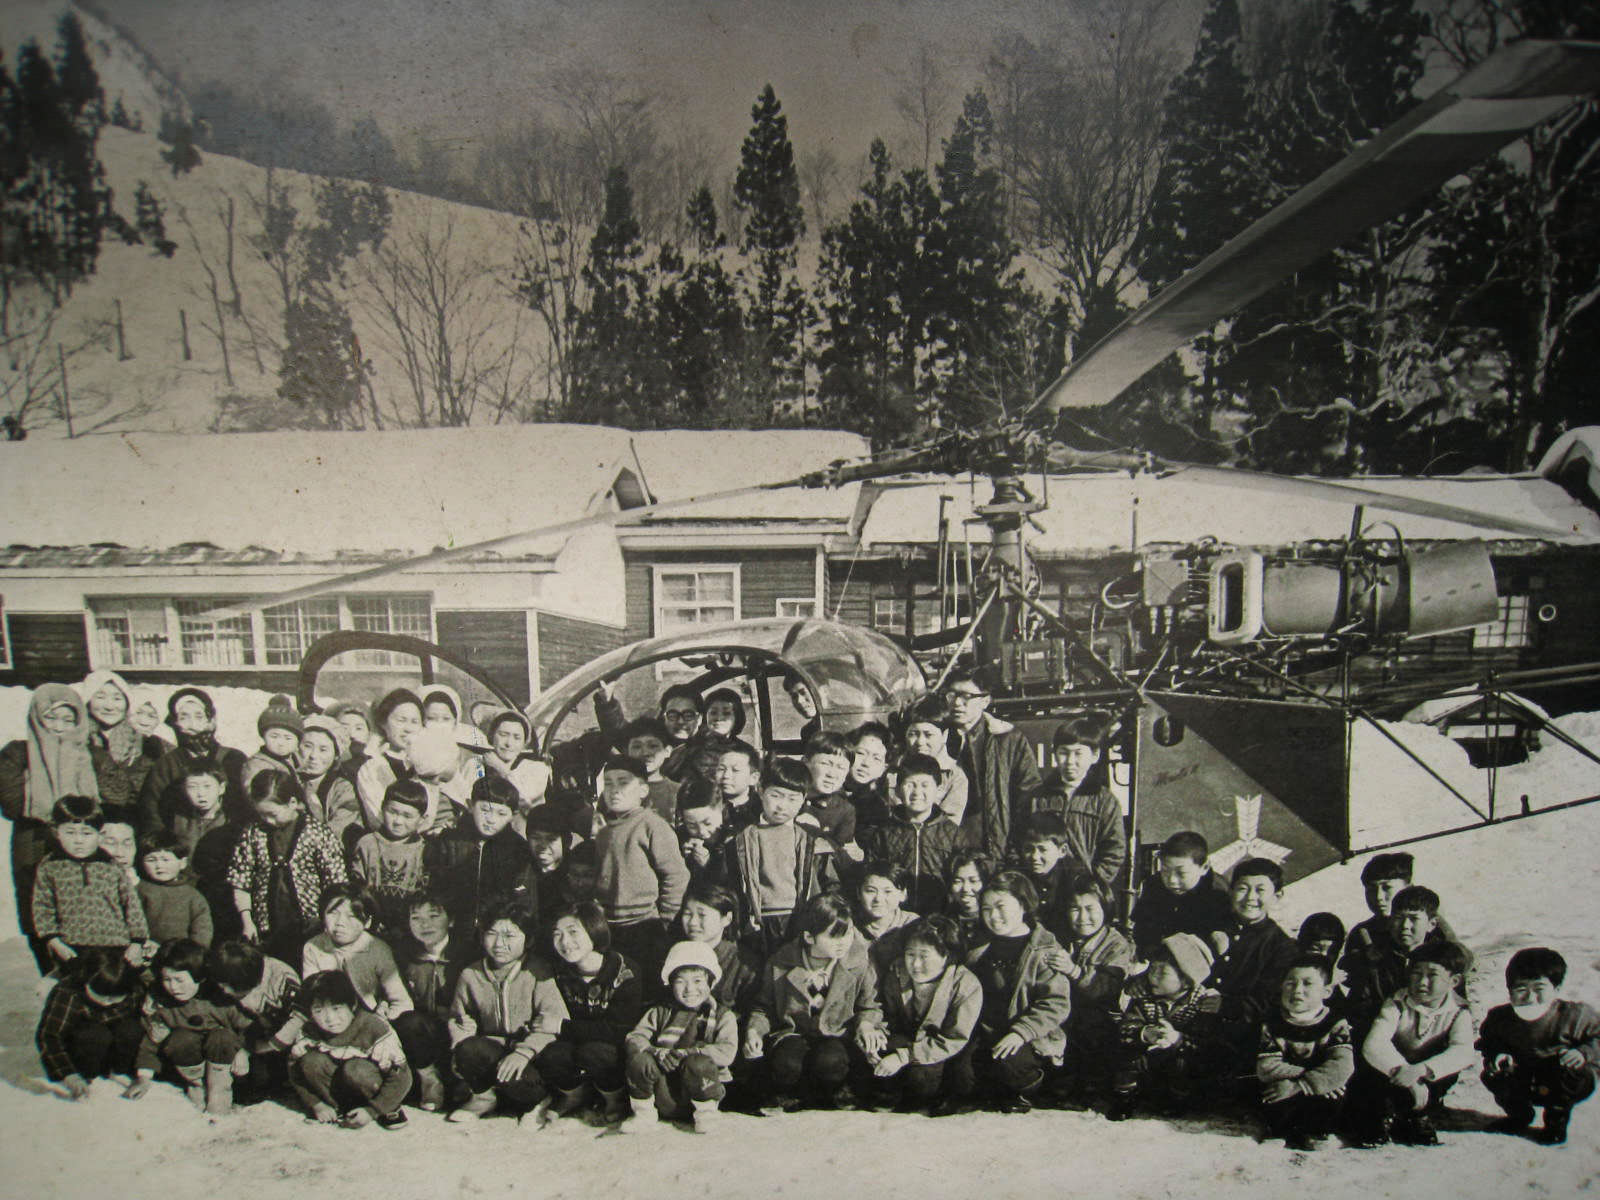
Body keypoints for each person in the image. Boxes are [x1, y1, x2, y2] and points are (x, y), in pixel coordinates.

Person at [743, 891, 885, 1111]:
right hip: (795, 1032)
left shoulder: (858, 962)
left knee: (830, 1062)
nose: (843, 943)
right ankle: (791, 1096)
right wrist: (754, 1031)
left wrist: (866, 1025)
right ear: (809, 937)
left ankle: (836, 1093)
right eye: (833, 936)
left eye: (847, 934)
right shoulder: (781, 963)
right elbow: (763, 1007)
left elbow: (869, 1006)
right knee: (786, 1064)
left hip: (837, 1034)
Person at [1, 685, 104, 970]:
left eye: (68, 720)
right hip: (34, 842)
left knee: (85, 906)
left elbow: (110, 797)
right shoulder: (17, 753)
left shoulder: (91, 754)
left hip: (84, 841)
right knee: (39, 908)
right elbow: (10, 802)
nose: (59, 727)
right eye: (51, 718)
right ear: (37, 718)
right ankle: (51, 974)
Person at [959, 870, 1072, 1114]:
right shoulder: (978, 947)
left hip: (1028, 1036)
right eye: (986, 909)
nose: (993, 916)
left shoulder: (1044, 949)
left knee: (1009, 1066)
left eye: (1001, 907)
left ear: (1022, 905)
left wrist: (1021, 1033)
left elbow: (1055, 1003)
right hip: (985, 1032)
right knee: (961, 1076)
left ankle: (1036, 1082)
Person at [446, 901, 568, 1121]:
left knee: (532, 1075)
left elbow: (553, 1020)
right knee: (469, 1049)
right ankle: (484, 1098)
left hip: (529, 1058)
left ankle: (538, 1102)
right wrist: (462, 1038)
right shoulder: (471, 974)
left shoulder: (538, 971)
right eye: (491, 934)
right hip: (494, 1053)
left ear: (528, 940)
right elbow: (458, 1018)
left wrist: (523, 1052)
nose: (499, 944)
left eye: (510, 936)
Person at [1348, 940, 1475, 1148]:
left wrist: (1421, 1070)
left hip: (1426, 1074)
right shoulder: (1397, 1003)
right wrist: (1405, 1073)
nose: (1422, 982)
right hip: (1392, 1070)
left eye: (1432, 975)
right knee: (1373, 1083)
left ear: (1454, 981)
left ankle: (1417, 1116)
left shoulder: (1459, 1010)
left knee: (1444, 1075)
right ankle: (1379, 1118)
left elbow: (1463, 1051)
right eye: (1416, 973)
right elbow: (1375, 1045)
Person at [1478, 946, 1600, 1145]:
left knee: (1566, 1074)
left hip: (1564, 1075)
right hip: (1524, 1075)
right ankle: (1519, 1115)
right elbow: (1489, 1041)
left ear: (1556, 989)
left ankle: (1555, 1123)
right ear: (1509, 991)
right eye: (1521, 989)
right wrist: (1498, 1054)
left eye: (1539, 989)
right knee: (1494, 1074)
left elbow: (1597, 1036)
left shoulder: (1575, 1015)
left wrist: (1583, 1052)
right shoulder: (1500, 1017)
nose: (1530, 998)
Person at [227, 769, 348, 964]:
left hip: (311, 927)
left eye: (272, 814)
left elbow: (336, 882)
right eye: (261, 814)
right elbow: (241, 880)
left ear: (292, 803)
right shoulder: (253, 832)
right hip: (267, 928)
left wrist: (329, 921)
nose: (267, 820)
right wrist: (247, 921)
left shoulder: (317, 833)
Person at [537, 901, 643, 1123]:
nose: (565, 942)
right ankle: (574, 1095)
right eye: (557, 934)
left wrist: (561, 1026)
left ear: (594, 930)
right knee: (553, 1053)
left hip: (611, 1049)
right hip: (574, 1042)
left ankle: (615, 1099)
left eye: (573, 932)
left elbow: (619, 1029)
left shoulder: (624, 971)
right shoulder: (558, 971)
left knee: (595, 1052)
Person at [622, 940, 740, 1133]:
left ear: (711, 983)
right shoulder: (660, 1012)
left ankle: (707, 1115)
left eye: (697, 981)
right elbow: (635, 1038)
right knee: (640, 1060)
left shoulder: (722, 1016)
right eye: (680, 981)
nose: (689, 989)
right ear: (671, 984)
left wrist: (689, 1053)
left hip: (701, 1090)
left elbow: (726, 1051)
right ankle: (644, 1113)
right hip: (663, 1090)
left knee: (699, 1063)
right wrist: (656, 1052)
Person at [868, 915, 982, 1114]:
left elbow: (954, 1038)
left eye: (924, 956)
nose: (915, 964)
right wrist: (876, 1036)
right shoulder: (897, 974)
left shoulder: (966, 985)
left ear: (945, 955)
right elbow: (888, 1017)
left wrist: (905, 1056)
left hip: (945, 1048)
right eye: (910, 954)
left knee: (927, 1079)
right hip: (910, 1040)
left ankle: (938, 1097)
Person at [592, 754, 689, 986]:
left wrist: (664, 919)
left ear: (643, 790)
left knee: (646, 985)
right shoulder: (604, 833)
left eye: (623, 782)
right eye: (609, 783)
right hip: (610, 925)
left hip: (644, 927)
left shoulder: (652, 825)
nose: (614, 790)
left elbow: (676, 875)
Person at [126, 938, 251, 1115]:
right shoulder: (164, 1005)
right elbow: (152, 1042)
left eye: (179, 980)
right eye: (167, 980)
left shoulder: (219, 1001)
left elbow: (248, 1028)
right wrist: (144, 1078)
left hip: (225, 1067)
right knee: (180, 1038)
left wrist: (244, 1051)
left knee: (221, 1036)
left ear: (199, 976)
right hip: (189, 1066)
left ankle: (218, 1096)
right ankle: (198, 1087)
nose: (173, 987)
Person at [727, 757, 837, 952]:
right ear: (761, 790)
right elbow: (729, 887)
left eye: (792, 799)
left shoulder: (811, 841)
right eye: (776, 796)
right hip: (756, 923)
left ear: (803, 799)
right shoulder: (741, 840)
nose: (782, 806)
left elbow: (830, 885)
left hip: (798, 920)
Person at [1109, 933, 1222, 1120]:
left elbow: (1205, 1042)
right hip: (1150, 1060)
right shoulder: (1144, 998)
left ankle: (1177, 1100)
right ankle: (1125, 1097)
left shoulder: (1201, 1004)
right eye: (1152, 970)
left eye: (1163, 973)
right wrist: (1145, 1033)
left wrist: (1177, 1039)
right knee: (1127, 1054)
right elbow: (1126, 1025)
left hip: (1180, 1059)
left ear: (1186, 981)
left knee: (1184, 1063)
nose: (1153, 977)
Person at [33, 794, 148, 970]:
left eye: (86, 833)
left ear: (99, 835)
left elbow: (131, 905)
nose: (78, 840)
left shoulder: (111, 865)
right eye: (70, 833)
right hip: (71, 947)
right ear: (56, 832)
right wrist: (54, 941)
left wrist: (137, 942)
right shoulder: (50, 866)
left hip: (115, 946)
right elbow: (42, 907)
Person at [289, 970, 413, 1129]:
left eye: (336, 1008)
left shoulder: (374, 1027)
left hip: (373, 1086)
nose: (330, 1019)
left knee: (355, 1069)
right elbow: (294, 1069)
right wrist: (316, 1104)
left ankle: (390, 1109)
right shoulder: (309, 1031)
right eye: (318, 1011)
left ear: (352, 1005)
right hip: (339, 1087)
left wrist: (373, 1110)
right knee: (311, 1061)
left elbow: (402, 1076)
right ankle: (338, 1107)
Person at [1255, 955, 1354, 1151]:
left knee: (1334, 1091)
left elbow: (1342, 1065)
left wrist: (1302, 1084)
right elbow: (1267, 1067)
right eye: (1290, 983)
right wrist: (1306, 1079)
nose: (1297, 990)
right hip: (1287, 1085)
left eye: (1307, 984)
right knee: (1274, 1092)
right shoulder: (1273, 1022)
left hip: (1317, 1089)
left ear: (1326, 991)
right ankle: (1279, 1132)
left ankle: (1318, 1132)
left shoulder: (1335, 1023)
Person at [1210, 858, 1299, 1074]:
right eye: (1242, 888)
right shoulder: (1212, 927)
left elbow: (1269, 1001)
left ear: (1277, 897)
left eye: (1260, 890)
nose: (1250, 897)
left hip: (1245, 1042)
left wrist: (1227, 1006)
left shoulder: (1282, 946)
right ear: (1231, 891)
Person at [425, 772, 538, 941]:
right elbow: (435, 888)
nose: (491, 820)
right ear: (470, 806)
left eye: (501, 814)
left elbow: (525, 899)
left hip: (497, 934)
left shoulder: (518, 848)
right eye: (485, 810)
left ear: (513, 816)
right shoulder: (450, 841)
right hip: (453, 930)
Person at [943, 670, 1040, 861]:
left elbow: (1028, 796)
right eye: (952, 695)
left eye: (966, 696)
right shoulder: (937, 737)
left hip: (996, 845)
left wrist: (1016, 848)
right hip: (948, 845)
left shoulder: (1008, 739)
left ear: (985, 701)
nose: (957, 703)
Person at [1051, 881, 1135, 1098]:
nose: (1082, 917)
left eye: (1090, 909)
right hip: (1064, 1011)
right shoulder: (1061, 938)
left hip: (1099, 1015)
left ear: (1105, 909)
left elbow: (1106, 988)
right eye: (1075, 909)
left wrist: (1074, 971)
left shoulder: (1116, 944)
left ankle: (1092, 1081)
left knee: (1094, 1030)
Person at [390, 890, 471, 1111]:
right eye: (416, 918)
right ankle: (430, 1080)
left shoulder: (466, 954)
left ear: (451, 920)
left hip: (459, 1029)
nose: (425, 924)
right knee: (409, 1021)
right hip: (424, 1035)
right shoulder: (404, 956)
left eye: (434, 916)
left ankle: (463, 1081)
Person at [858, 753, 965, 915]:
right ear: (898, 790)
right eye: (910, 785)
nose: (917, 792)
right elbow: (872, 874)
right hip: (896, 915)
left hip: (939, 915)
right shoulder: (884, 832)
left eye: (925, 785)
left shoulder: (952, 833)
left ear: (938, 790)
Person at [1029, 715, 1126, 894]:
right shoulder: (1038, 797)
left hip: (1084, 891)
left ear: (1095, 756)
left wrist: (1092, 885)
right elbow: (1022, 840)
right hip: (1044, 890)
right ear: (1055, 754)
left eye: (1078, 753)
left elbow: (1114, 851)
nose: (1070, 761)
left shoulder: (1105, 800)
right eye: (1064, 753)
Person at [1343, 885, 1461, 1031]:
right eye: (1399, 918)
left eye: (1414, 919)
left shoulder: (1445, 962)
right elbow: (1359, 1007)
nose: (1405, 926)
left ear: (1431, 924)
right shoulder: (1374, 961)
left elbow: (1457, 1006)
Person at [35, 946, 146, 1099]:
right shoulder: (68, 992)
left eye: (114, 998)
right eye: (101, 995)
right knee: (94, 1034)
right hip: (85, 1049)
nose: (107, 1002)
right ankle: (87, 1074)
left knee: (132, 1029)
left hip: (116, 1047)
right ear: (86, 982)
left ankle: (123, 1069)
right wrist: (68, 1074)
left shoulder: (133, 989)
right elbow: (50, 1036)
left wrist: (144, 1073)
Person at [299, 885, 413, 1022]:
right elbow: (313, 998)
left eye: (351, 916)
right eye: (333, 913)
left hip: (374, 1020)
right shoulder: (313, 947)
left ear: (367, 921)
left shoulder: (377, 949)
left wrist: (383, 1022)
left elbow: (401, 1002)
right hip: (332, 1021)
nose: (340, 923)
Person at [138, 687, 247, 832]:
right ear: (175, 723)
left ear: (210, 721)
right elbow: (151, 811)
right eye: (184, 717)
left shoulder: (233, 759)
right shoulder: (166, 764)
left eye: (199, 716)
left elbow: (245, 806)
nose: (192, 724)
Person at [207, 939, 301, 1104]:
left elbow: (298, 1022)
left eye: (228, 986)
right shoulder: (229, 974)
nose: (225, 991)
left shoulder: (283, 981)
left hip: (281, 1040)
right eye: (222, 986)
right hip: (255, 1033)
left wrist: (251, 1049)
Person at [1129, 830, 1234, 957]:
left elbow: (1222, 939)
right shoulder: (1153, 884)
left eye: (1181, 873)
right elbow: (1142, 930)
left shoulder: (1219, 893)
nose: (1172, 880)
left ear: (1204, 867)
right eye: (1165, 870)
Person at [77, 670, 165, 821]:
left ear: (127, 703)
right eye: (100, 697)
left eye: (117, 698)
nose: (109, 706)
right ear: (88, 701)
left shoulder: (149, 744)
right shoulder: (77, 741)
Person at [351, 778, 431, 933]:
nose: (398, 821)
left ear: (422, 819)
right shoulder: (367, 844)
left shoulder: (425, 850)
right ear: (382, 808)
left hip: (410, 929)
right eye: (393, 812)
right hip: (371, 926)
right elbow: (356, 887)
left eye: (407, 816)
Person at [173, 764, 242, 942]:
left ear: (221, 788)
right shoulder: (179, 820)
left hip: (222, 896)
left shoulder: (233, 821)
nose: (201, 794)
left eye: (207, 786)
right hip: (187, 891)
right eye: (193, 787)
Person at [354, 688, 425, 835]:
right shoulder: (371, 766)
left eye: (414, 722)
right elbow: (378, 819)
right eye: (401, 720)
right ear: (383, 722)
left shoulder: (428, 764)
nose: (408, 729)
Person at [136, 828, 213, 949]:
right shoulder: (139, 890)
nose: (159, 866)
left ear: (182, 863)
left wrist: (192, 953)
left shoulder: (193, 896)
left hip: (179, 956)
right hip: (144, 951)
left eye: (166, 860)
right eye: (151, 860)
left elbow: (202, 932)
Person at [898, 694, 968, 827]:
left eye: (928, 735)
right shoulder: (893, 770)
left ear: (944, 736)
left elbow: (949, 825)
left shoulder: (954, 776)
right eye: (913, 734)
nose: (920, 742)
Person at [1016, 811, 1085, 944]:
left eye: (1042, 849)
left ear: (1062, 851)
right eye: (1029, 849)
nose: (1034, 857)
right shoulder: (1017, 877)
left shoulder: (1075, 879)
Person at [296, 715, 362, 845]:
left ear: (336, 755)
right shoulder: (289, 779)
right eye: (308, 746)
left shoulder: (342, 788)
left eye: (323, 749)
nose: (313, 755)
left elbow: (339, 828)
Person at [480, 710, 551, 821]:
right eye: (503, 735)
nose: (509, 743)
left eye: (517, 738)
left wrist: (501, 769)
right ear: (491, 736)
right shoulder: (475, 765)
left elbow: (524, 800)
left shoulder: (537, 769)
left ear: (524, 743)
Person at [856, 861, 919, 981]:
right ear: (858, 893)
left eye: (887, 891)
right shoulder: (850, 926)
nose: (878, 899)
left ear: (903, 894)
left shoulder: (914, 925)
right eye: (870, 891)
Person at [798, 731, 858, 856]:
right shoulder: (787, 796)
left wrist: (818, 834)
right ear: (805, 762)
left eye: (841, 768)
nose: (832, 774)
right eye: (825, 764)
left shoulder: (845, 811)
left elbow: (841, 854)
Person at [675, 774, 732, 885]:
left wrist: (708, 866)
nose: (701, 831)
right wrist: (681, 858)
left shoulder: (734, 838)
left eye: (707, 823)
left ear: (722, 809)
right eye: (692, 826)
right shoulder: (678, 838)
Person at [622, 717, 679, 821]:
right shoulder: (616, 790)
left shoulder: (678, 792)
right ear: (626, 752)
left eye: (653, 746)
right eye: (637, 747)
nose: (645, 753)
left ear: (667, 751)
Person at [242, 701, 303, 792]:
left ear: (297, 741)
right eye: (274, 736)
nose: (281, 743)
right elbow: (252, 794)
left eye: (288, 738)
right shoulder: (256, 766)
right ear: (264, 736)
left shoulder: (293, 759)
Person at [844, 721, 895, 830]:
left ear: (884, 768)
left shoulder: (879, 809)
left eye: (876, 758)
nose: (866, 763)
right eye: (861, 753)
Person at [943, 851, 993, 955]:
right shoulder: (943, 920)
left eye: (973, 881)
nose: (966, 888)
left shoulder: (996, 918)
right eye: (958, 881)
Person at [710, 740, 763, 832]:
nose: (726, 776)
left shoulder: (762, 810)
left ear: (753, 778)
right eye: (721, 769)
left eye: (735, 770)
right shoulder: (705, 805)